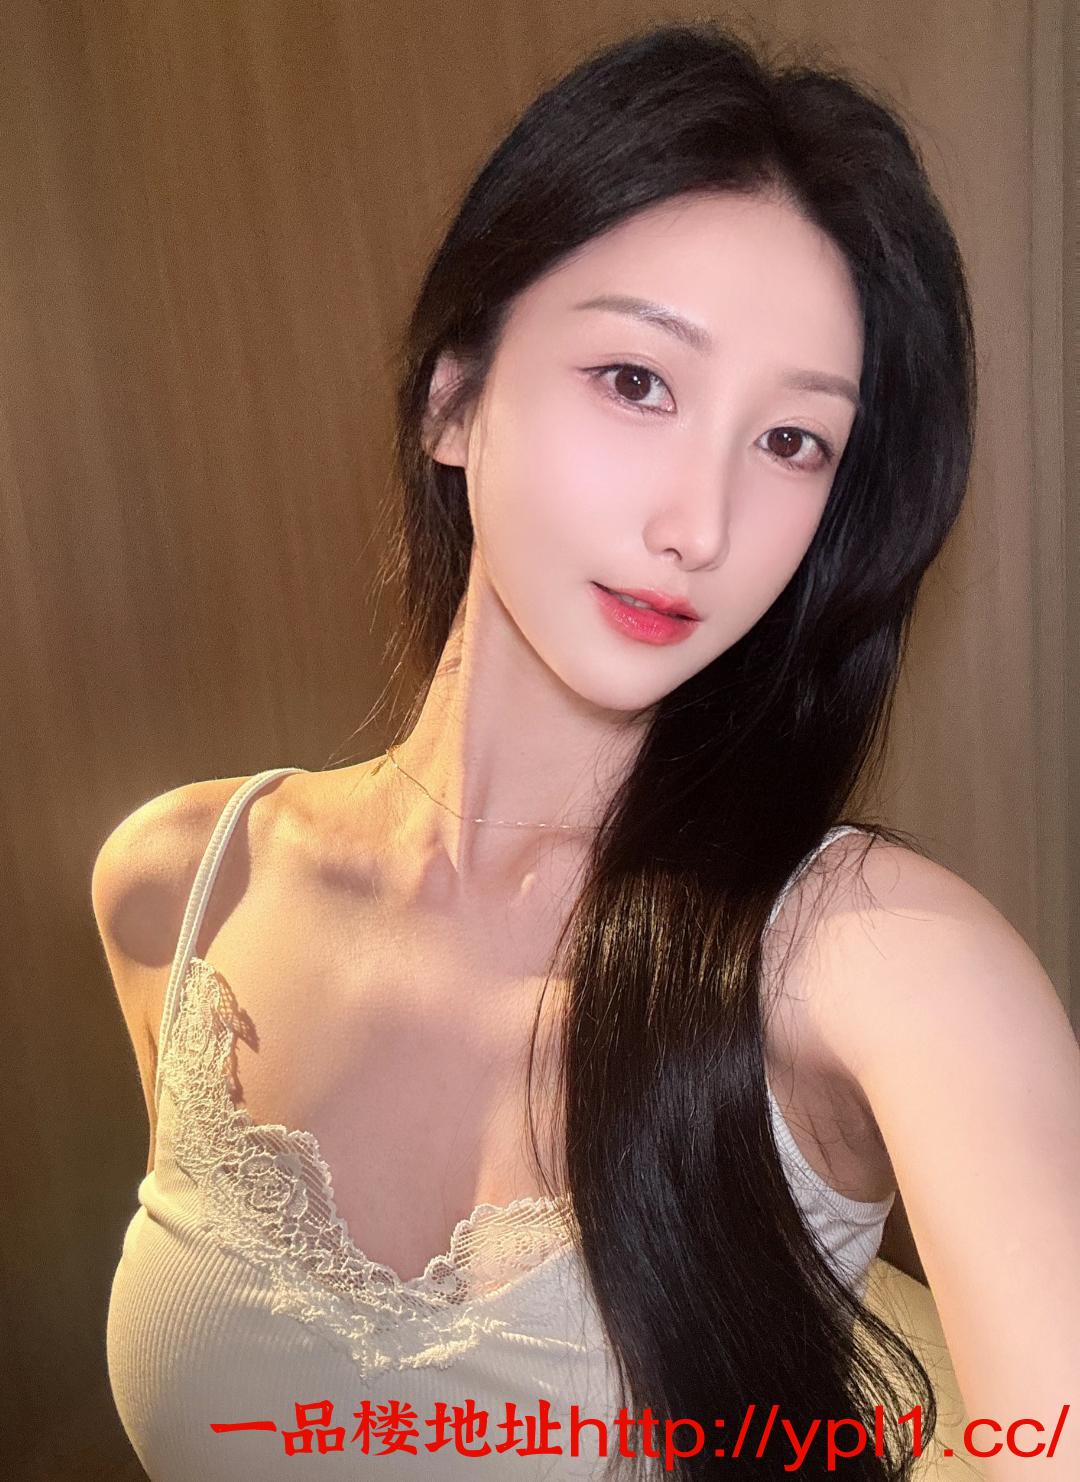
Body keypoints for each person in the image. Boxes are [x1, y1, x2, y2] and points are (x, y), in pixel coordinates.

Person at [95, 19, 1079, 1482]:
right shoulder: (181, 886)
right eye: (635, 380)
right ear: (453, 395)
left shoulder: (882, 964)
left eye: (793, 442)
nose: (700, 524)